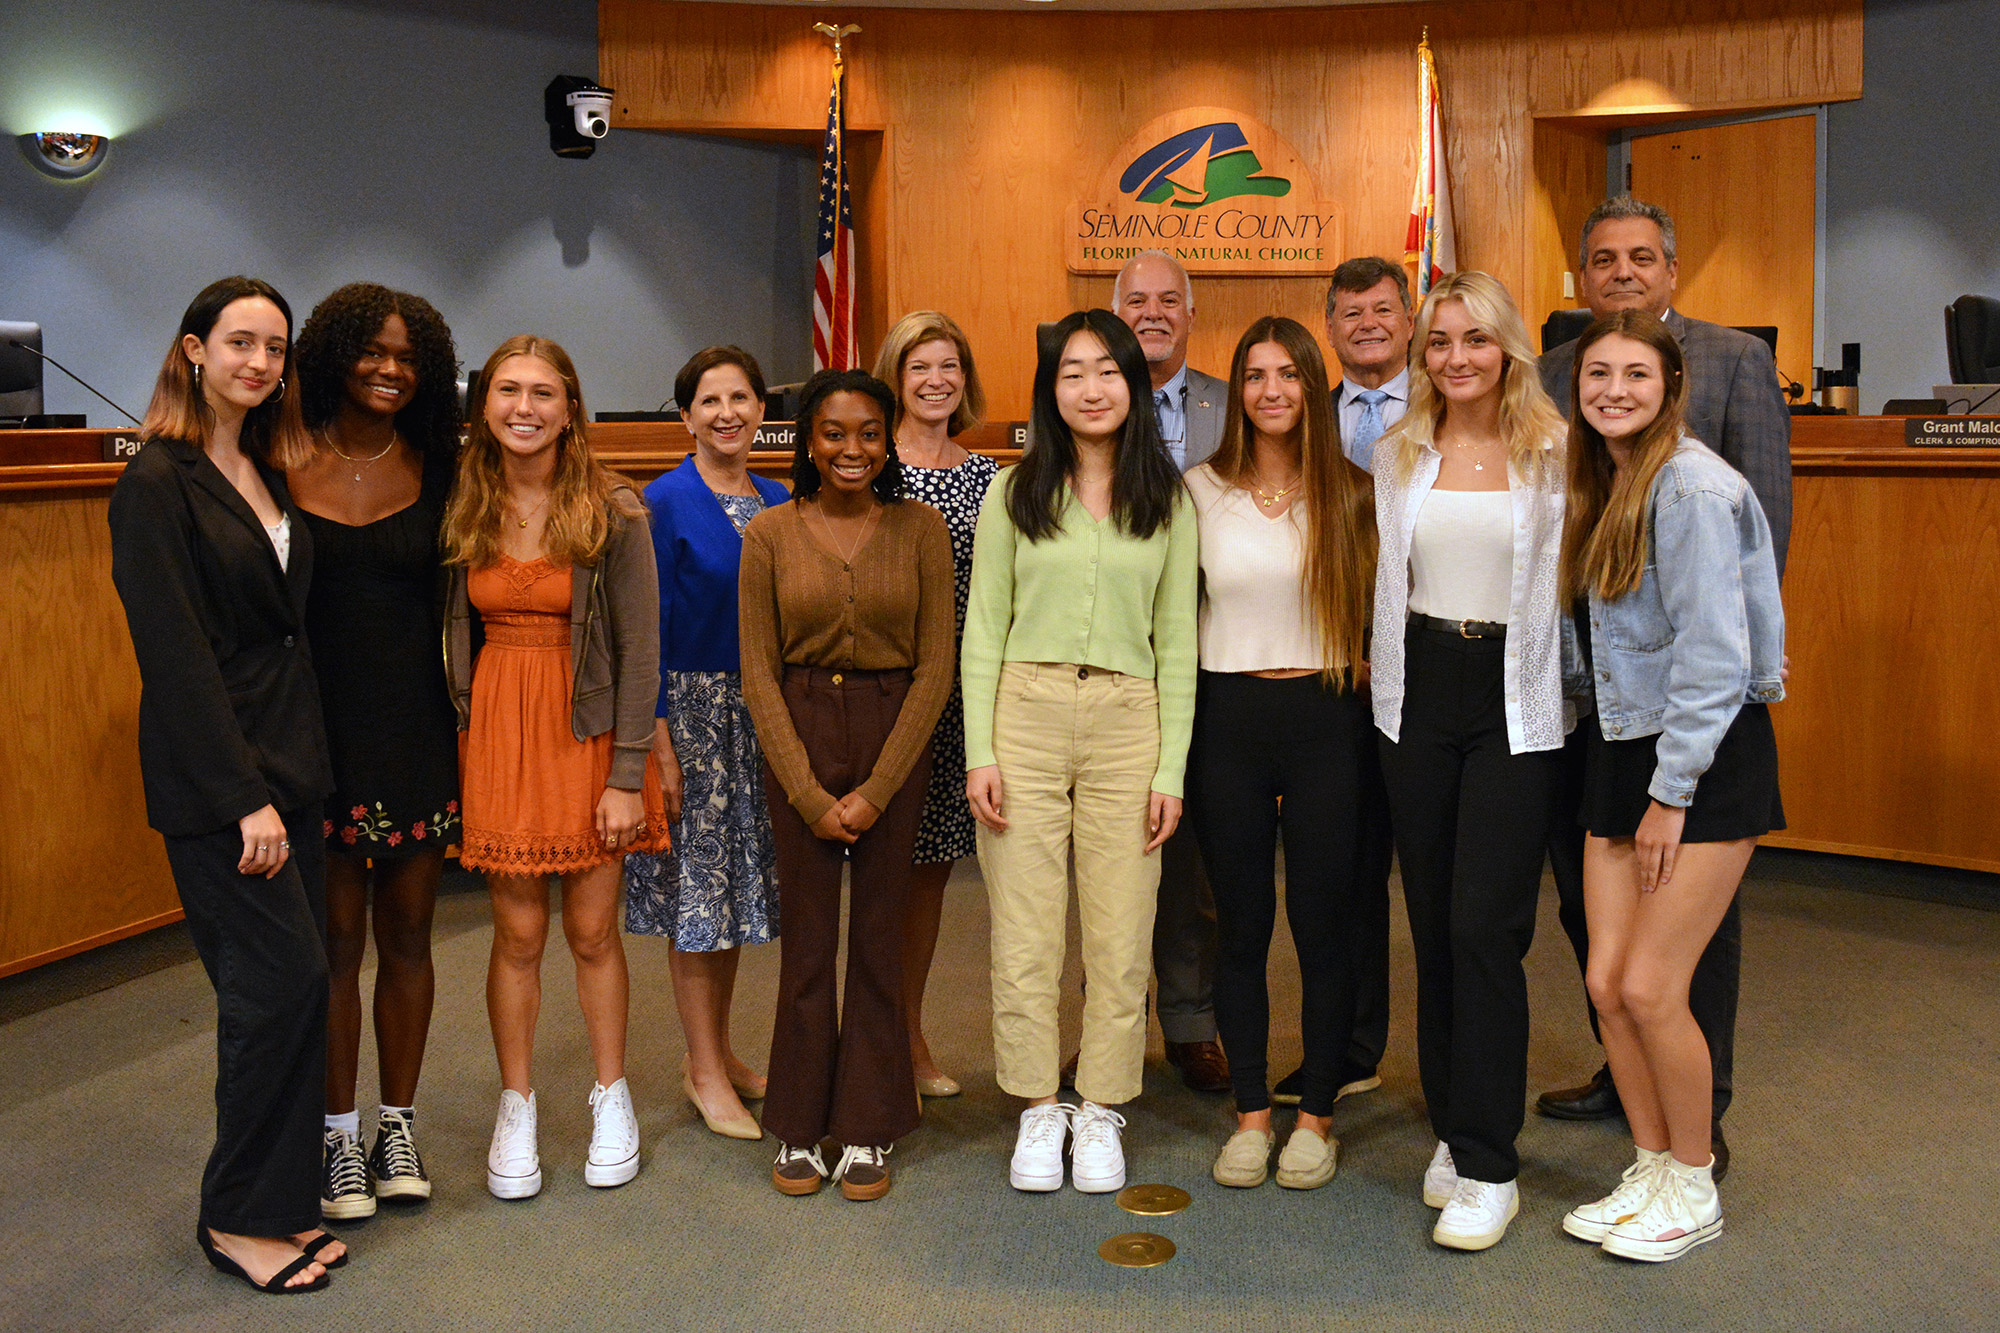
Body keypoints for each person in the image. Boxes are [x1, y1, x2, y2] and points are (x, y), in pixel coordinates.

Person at [1535, 196, 1794, 1177]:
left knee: (1665, 969)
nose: (1622, 272)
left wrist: (1732, 675)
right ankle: (1647, 1138)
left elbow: (1747, 548)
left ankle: (1697, 1134)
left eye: (1640, 257)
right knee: (1615, 976)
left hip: (1691, 726)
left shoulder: (1698, 462)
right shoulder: (1562, 395)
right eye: (1602, 259)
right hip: (1608, 716)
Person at [109, 276, 342, 1293]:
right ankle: (237, 1218)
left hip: (294, 766)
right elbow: (176, 657)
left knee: (303, 990)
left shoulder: (264, 466)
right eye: (239, 341)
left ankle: (283, 1203)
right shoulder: (155, 480)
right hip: (223, 786)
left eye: (275, 346)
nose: (259, 360)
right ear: (193, 349)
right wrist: (242, 794)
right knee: (271, 991)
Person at [963, 309, 1198, 1195]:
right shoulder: (1011, 491)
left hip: (1128, 720)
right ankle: (1035, 1105)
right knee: (1024, 929)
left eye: (1107, 371)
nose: (1090, 388)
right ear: (1050, 389)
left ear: (1134, 385)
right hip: (1022, 710)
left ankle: (1100, 1106)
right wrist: (981, 749)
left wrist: (1169, 768)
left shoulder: (1167, 499)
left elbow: (1177, 642)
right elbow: (983, 628)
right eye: (1072, 373)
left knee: (1120, 927)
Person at [1370, 271, 1580, 1251]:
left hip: (1514, 695)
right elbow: (1388, 586)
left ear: (1507, 350)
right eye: (1439, 341)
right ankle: (1456, 1127)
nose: (1456, 357)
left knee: (1483, 928)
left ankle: (1490, 1163)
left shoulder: (1555, 452)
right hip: (1419, 691)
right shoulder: (1398, 450)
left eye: (1475, 339)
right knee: (1432, 922)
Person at [442, 335, 670, 1201]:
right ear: (485, 404)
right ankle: (517, 1102)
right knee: (517, 934)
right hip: (499, 731)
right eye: (509, 390)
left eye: (544, 391)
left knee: (590, 931)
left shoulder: (614, 506)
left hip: (587, 735)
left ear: (571, 407)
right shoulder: (463, 500)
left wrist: (626, 773)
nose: (525, 407)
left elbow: (643, 652)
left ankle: (612, 1096)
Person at [737, 369, 954, 1201]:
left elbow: (935, 668)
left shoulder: (921, 528)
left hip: (895, 734)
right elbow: (758, 671)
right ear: (807, 440)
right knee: (808, 941)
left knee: (877, 940)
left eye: (869, 433)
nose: (852, 449)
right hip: (799, 729)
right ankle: (799, 1120)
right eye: (833, 432)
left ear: (887, 439)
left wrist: (877, 787)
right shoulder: (770, 533)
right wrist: (805, 790)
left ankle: (867, 1124)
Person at [1185, 317, 1375, 1192]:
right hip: (1228, 713)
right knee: (1243, 926)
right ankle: (1253, 1114)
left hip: (1327, 716)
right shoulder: (1198, 490)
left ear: (1312, 387)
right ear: (1238, 390)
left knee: (1324, 925)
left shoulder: (1356, 494)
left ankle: (1318, 1116)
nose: (1270, 390)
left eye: (1289, 374)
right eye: (1254, 374)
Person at [290, 282, 460, 1220]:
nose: (391, 369)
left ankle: (396, 1124)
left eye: (408, 357)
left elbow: (533, 494)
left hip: (416, 735)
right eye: (373, 352)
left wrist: (615, 503)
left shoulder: (441, 464)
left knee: (406, 938)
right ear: (334, 354)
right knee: (332, 947)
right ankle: (335, 1138)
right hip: (313, 737)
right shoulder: (278, 460)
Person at [1266, 255, 1420, 1111]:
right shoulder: (1303, 418)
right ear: (1329, 325)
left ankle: (1454, 1057)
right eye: (1350, 312)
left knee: (1435, 874)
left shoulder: (1450, 402)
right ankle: (1355, 1044)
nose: (1366, 324)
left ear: (1410, 320)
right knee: (1349, 870)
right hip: (1334, 678)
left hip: (1431, 667)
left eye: (1383, 310)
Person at [624, 347, 790, 1141]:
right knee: (698, 902)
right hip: (689, 718)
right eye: (709, 399)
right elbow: (643, 632)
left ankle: (720, 1051)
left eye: (741, 397)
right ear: (685, 414)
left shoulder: (781, 498)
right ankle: (700, 1069)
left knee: (732, 902)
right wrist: (657, 743)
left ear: (762, 409)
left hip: (760, 718)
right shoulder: (661, 502)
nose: (727, 411)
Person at [869, 311, 999, 1100]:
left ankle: (908, 1035)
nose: (936, 381)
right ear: (896, 376)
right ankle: (869, 1039)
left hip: (958, 702)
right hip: (882, 693)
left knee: (925, 879)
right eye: (920, 367)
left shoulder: (989, 477)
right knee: (874, 877)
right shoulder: (869, 465)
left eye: (949, 365)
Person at [1110, 249, 1228, 1094]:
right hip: (1114, 653)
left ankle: (1191, 1021)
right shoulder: (1084, 398)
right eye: (1137, 300)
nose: (1153, 312)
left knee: (1189, 854)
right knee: (1106, 853)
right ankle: (1109, 1025)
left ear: (1190, 313)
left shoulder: (1237, 402)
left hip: (1212, 650)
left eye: (1168, 300)